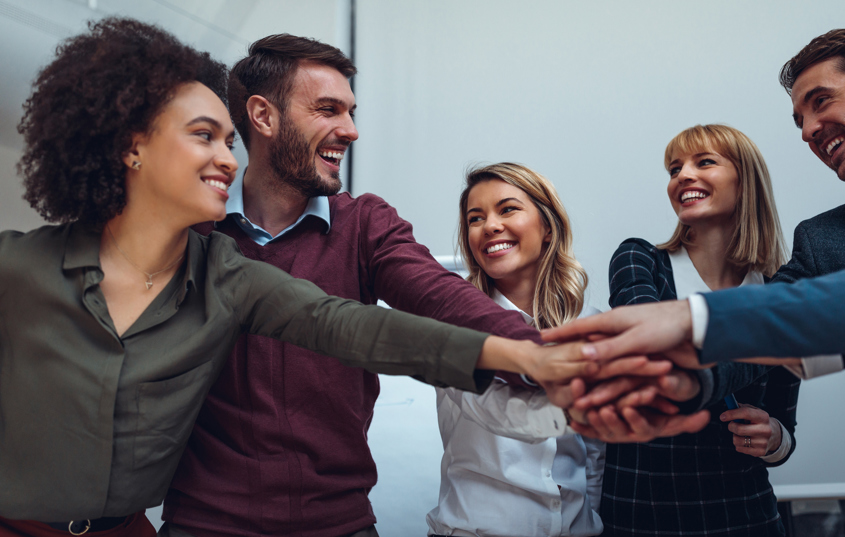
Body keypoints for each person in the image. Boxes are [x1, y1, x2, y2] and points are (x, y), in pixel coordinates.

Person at [0, 19, 602, 537]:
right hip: (204, 522)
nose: (351, 129)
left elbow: (395, 316)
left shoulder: (352, 229)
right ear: (264, 115)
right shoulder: (192, 241)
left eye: (351, 111)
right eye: (327, 109)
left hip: (338, 522)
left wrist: (543, 353)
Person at [546, 26, 845, 536]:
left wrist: (686, 324)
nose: (807, 131)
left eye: (820, 101)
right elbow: (776, 326)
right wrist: (687, 379)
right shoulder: (824, 242)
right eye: (798, 120)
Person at [597, 125, 798, 536]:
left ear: (747, 180)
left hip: (744, 515)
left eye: (704, 162)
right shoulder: (640, 260)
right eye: (674, 169)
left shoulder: (779, 289)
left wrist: (774, 438)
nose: (683, 176)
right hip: (640, 515)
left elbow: (784, 426)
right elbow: (654, 355)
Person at [425, 163, 606, 537]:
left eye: (507, 209)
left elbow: (595, 452)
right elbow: (497, 410)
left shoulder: (592, 323)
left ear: (548, 228)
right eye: (476, 218)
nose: (490, 226)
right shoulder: (455, 326)